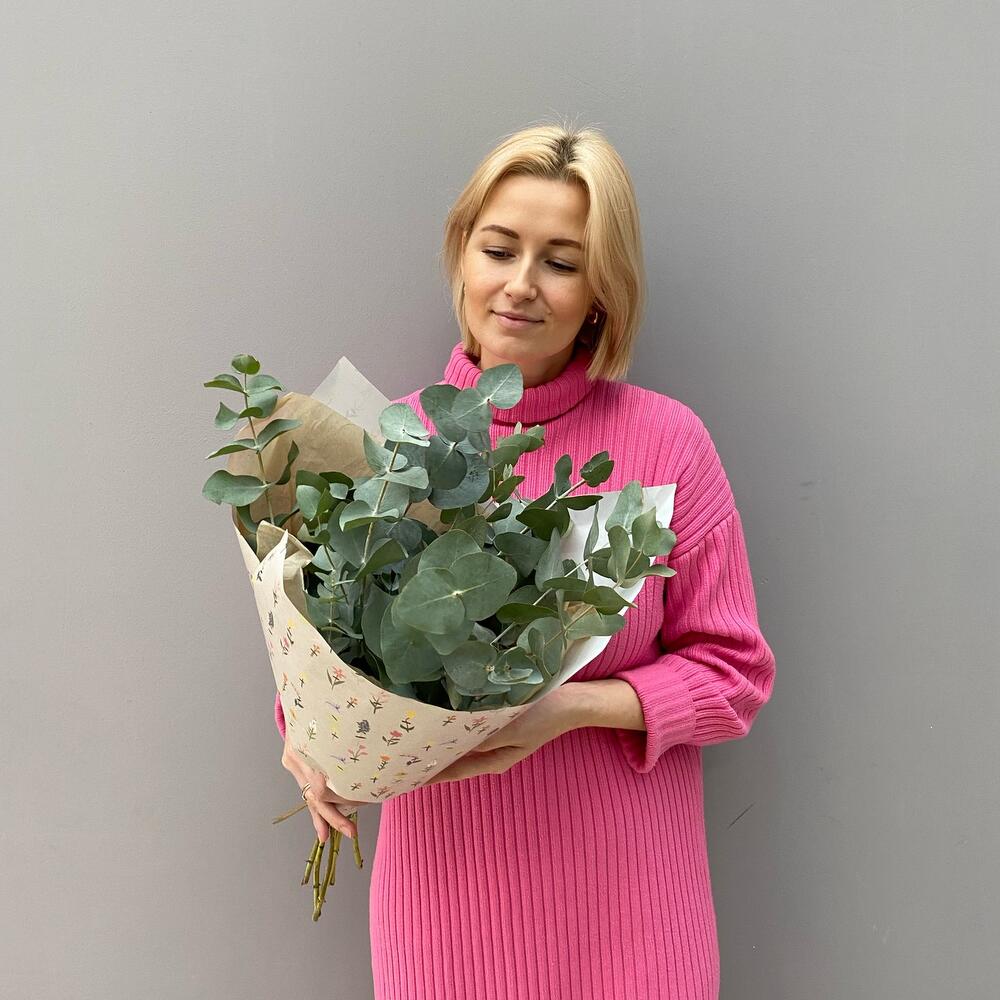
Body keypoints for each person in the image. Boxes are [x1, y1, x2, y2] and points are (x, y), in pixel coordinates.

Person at [276, 121, 776, 999]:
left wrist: (568, 709)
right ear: (462, 255)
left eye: (561, 262)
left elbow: (734, 677)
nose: (520, 285)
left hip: (633, 918)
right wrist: (312, 746)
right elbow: (323, 662)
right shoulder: (381, 450)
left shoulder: (668, 444)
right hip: (444, 918)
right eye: (499, 249)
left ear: (602, 293)